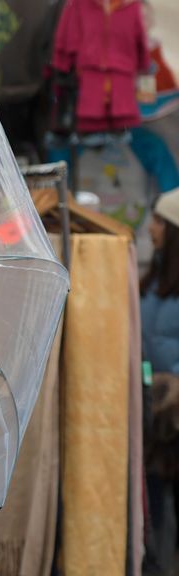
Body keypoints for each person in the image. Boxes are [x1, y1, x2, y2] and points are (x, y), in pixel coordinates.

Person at [140, 188, 179, 576]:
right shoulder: (150, 281)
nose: (150, 227)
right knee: (153, 516)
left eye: (157, 220)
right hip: (153, 423)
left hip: (175, 419)